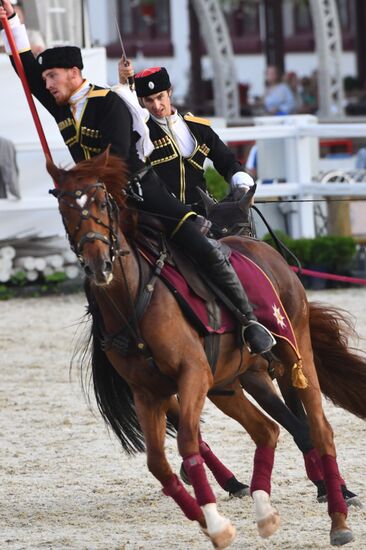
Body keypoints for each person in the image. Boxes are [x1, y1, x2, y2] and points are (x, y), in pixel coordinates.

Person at [0, 0, 275, 357]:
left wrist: (80, 181)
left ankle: (249, 320)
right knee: (94, 254)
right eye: (46, 78)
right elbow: (26, 72)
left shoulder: (108, 102)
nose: (46, 84)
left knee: (197, 242)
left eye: (52, 76)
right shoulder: (60, 104)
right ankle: (112, 333)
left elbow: (114, 158)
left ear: (72, 72)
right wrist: (11, 24)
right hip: (100, 198)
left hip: (139, 190)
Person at [117, 60, 254, 215]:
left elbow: (227, 160)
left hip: (202, 212)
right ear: (141, 101)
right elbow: (125, 111)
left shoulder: (198, 127)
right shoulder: (141, 130)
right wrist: (123, 83)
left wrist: (242, 183)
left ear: (169, 92)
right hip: (163, 216)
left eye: (160, 97)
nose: (156, 105)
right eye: (149, 100)